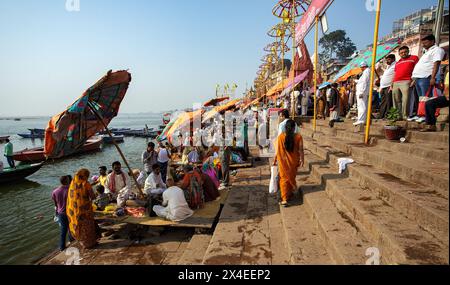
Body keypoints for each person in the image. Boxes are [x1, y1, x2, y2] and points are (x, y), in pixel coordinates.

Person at [412, 35, 446, 123]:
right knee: (422, 98)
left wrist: (433, 77)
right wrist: (414, 79)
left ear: (432, 41)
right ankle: (421, 114)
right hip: (419, 77)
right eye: (422, 43)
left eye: (425, 42)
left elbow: (436, 63)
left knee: (427, 98)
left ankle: (426, 117)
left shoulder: (437, 50)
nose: (423, 44)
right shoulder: (426, 52)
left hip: (426, 77)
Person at [273, 120, 304, 207]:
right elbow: (301, 149)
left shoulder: (280, 137)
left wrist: (275, 160)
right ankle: (289, 194)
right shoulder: (298, 137)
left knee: (284, 179)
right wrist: (302, 159)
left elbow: (277, 150)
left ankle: (285, 199)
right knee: (291, 176)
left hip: (283, 161)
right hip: (294, 161)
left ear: (285, 127)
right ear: (294, 128)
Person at [66, 169, 99, 249]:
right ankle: (90, 244)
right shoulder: (86, 184)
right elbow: (92, 196)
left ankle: (83, 243)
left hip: (73, 211)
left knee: (79, 226)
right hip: (85, 211)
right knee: (87, 227)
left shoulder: (72, 183)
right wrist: (97, 194)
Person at [391, 46, 419, 120]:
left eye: (405, 52)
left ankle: (405, 115)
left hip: (407, 81)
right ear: (399, 54)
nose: (403, 54)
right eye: (401, 53)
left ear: (408, 51)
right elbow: (395, 73)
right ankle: (397, 116)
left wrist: (414, 80)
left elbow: (418, 69)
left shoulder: (414, 58)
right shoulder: (398, 62)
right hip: (396, 82)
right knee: (396, 100)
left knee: (406, 99)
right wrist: (392, 83)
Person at [52, 175, 74, 251]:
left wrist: (56, 213)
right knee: (72, 227)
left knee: (63, 229)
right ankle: (72, 240)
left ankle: (62, 246)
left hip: (60, 213)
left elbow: (55, 204)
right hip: (70, 212)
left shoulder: (55, 191)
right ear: (67, 181)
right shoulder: (71, 189)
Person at [378, 54, 397, 119]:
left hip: (389, 86)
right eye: (387, 60)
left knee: (389, 101)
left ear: (393, 59)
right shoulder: (388, 66)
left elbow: (395, 75)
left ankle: (388, 115)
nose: (387, 61)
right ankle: (381, 115)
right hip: (383, 87)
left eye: (389, 59)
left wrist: (392, 85)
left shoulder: (395, 65)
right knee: (383, 101)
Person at [354, 62, 371, 126]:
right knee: (362, 105)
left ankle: (361, 120)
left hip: (362, 92)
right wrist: (356, 81)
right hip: (363, 91)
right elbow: (362, 82)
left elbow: (364, 82)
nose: (361, 69)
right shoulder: (366, 72)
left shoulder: (366, 71)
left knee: (361, 106)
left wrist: (361, 92)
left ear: (363, 66)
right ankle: (362, 119)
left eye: (361, 67)